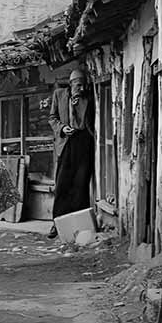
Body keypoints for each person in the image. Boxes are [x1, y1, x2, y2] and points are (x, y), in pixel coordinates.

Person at [47, 68, 95, 239]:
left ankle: (81, 226)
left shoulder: (89, 97)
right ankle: (57, 223)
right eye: (79, 85)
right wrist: (62, 128)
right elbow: (52, 118)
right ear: (71, 83)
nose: (81, 89)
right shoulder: (59, 94)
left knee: (80, 184)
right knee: (62, 184)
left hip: (84, 142)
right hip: (66, 142)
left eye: (84, 85)